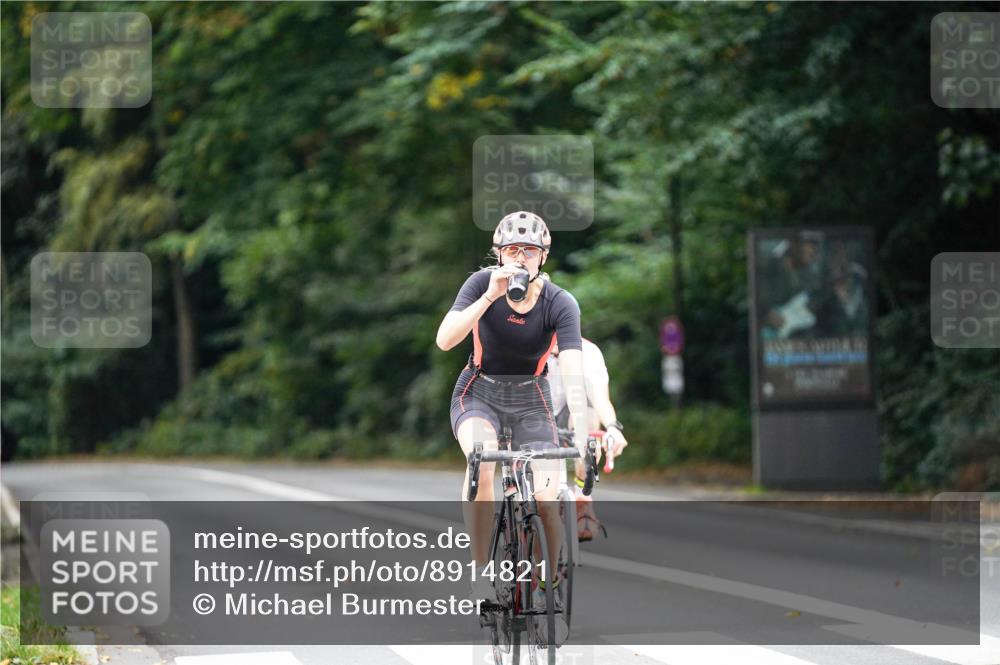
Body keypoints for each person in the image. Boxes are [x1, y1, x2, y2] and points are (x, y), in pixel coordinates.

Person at [435, 211, 588, 640]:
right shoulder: (480, 284)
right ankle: (481, 570)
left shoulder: (560, 303)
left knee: (546, 492)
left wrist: (584, 430)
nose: (520, 258)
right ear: (498, 254)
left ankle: (546, 580)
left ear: (544, 257)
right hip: (478, 392)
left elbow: (573, 374)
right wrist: (489, 296)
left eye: (530, 251)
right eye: (511, 250)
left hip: (531, 399)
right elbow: (445, 340)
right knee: (482, 464)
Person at [546, 337, 627, 540]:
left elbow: (600, 399)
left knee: (589, 419)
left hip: (573, 411)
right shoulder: (528, 342)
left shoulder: (588, 352)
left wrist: (612, 427)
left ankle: (582, 497)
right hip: (537, 408)